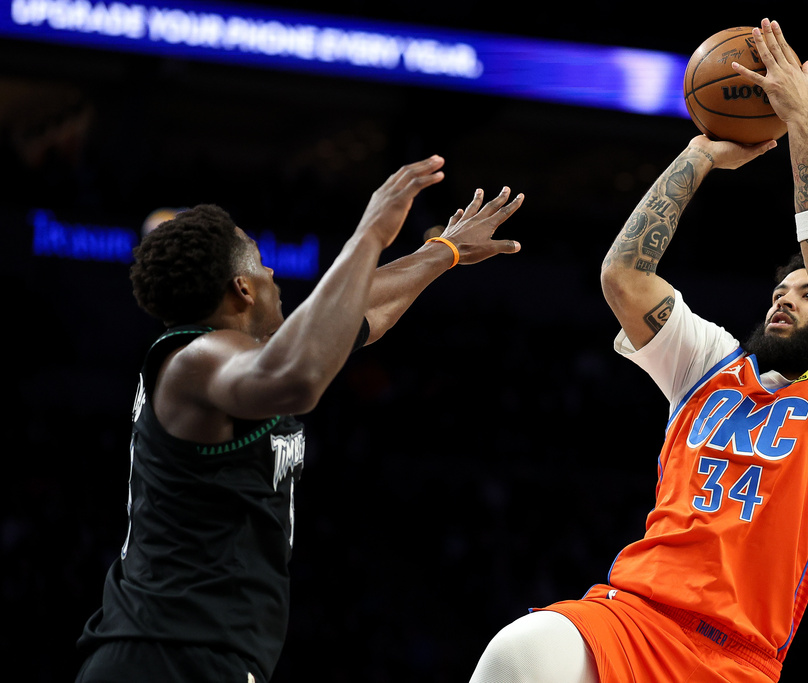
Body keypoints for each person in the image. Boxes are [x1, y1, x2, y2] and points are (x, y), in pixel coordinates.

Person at [469, 18, 808, 683]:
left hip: (733, 656)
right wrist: (698, 157)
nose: (785, 298)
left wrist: (802, 122)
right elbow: (623, 277)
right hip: (634, 614)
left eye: (804, 294)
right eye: (781, 289)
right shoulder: (711, 366)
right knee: (519, 652)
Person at [75, 155, 524, 683]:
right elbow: (301, 376)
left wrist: (440, 253)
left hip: (194, 655)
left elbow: (354, 317)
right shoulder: (194, 360)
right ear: (242, 289)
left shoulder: (239, 357)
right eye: (261, 264)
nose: (271, 274)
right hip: (166, 655)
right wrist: (368, 235)